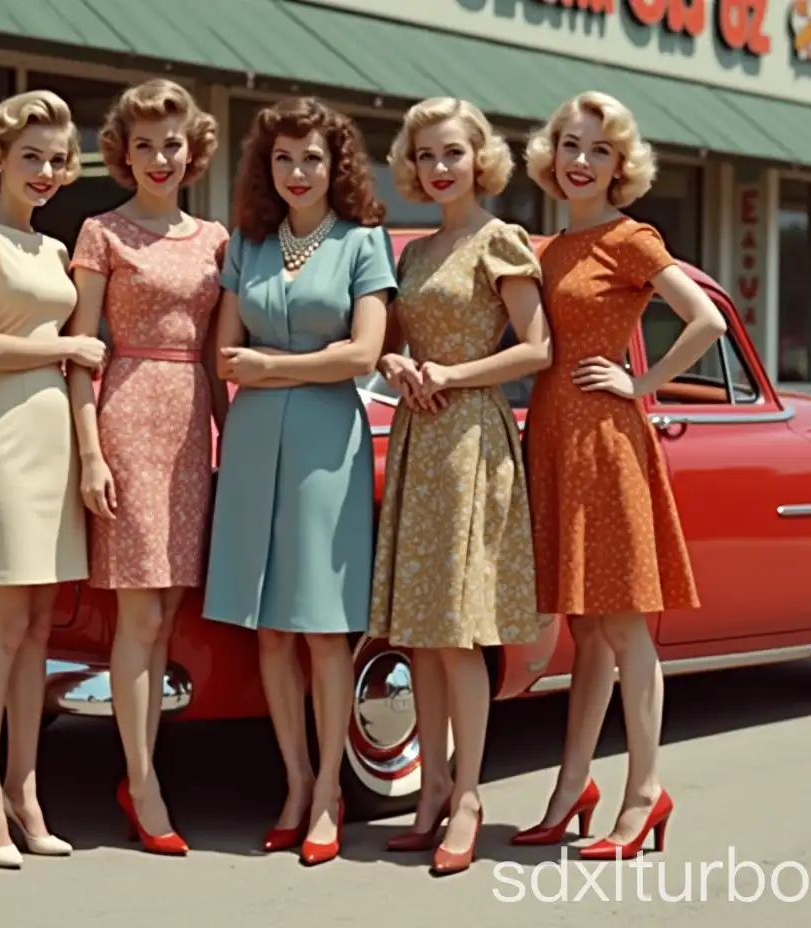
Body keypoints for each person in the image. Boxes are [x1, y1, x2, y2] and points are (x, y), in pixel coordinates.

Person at [513, 91, 726, 859]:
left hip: (606, 437)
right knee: (582, 627)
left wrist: (644, 383)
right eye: (570, 144)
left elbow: (706, 318)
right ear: (550, 154)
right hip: (550, 437)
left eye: (599, 150)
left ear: (621, 164)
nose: (579, 161)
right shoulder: (543, 249)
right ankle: (573, 787)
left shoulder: (630, 238)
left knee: (623, 623)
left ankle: (644, 792)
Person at [201, 96, 397, 867]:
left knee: (321, 627)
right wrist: (247, 383)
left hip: (326, 442)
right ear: (266, 165)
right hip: (251, 443)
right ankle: (293, 783)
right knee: (270, 629)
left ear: (336, 162)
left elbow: (363, 353)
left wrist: (272, 369)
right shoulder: (248, 245)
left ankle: (328, 793)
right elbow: (223, 354)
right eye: (283, 158)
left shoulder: (361, 243)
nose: (297, 172)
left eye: (311, 158)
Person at [369, 97, 553, 877]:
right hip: (418, 433)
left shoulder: (498, 238)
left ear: (481, 159)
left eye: (452, 153)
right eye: (425, 156)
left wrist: (454, 372)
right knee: (421, 629)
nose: (439, 168)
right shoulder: (412, 253)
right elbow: (390, 344)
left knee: (459, 627)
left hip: (473, 435)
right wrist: (396, 364)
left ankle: (470, 793)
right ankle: (432, 784)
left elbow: (536, 349)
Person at [65, 79, 230, 856]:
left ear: (193, 149)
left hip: (191, 422)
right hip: (127, 409)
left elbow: (215, 353)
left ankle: (145, 767)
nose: (160, 158)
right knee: (138, 615)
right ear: (122, 153)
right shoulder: (101, 231)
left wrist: (232, 438)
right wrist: (90, 450)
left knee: (166, 613)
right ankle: (142, 779)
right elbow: (80, 350)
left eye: (172, 143)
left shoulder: (216, 239)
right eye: (144, 145)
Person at [0, 90, 106, 868]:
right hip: (6, 440)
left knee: (41, 628)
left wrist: (91, 447)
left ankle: (25, 790)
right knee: (5, 626)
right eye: (31, 157)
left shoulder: (52, 249)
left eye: (56, 159)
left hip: (57, 443)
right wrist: (69, 351)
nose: (46, 172)